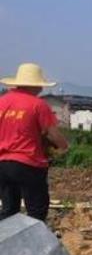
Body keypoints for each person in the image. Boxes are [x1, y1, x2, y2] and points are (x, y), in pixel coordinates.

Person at [0, 63, 68, 222]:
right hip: (28, 164)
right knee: (36, 211)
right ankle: (34, 245)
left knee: (9, 210)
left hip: (2, 164)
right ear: (35, 85)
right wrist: (64, 147)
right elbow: (52, 134)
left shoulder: (2, 102)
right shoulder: (38, 105)